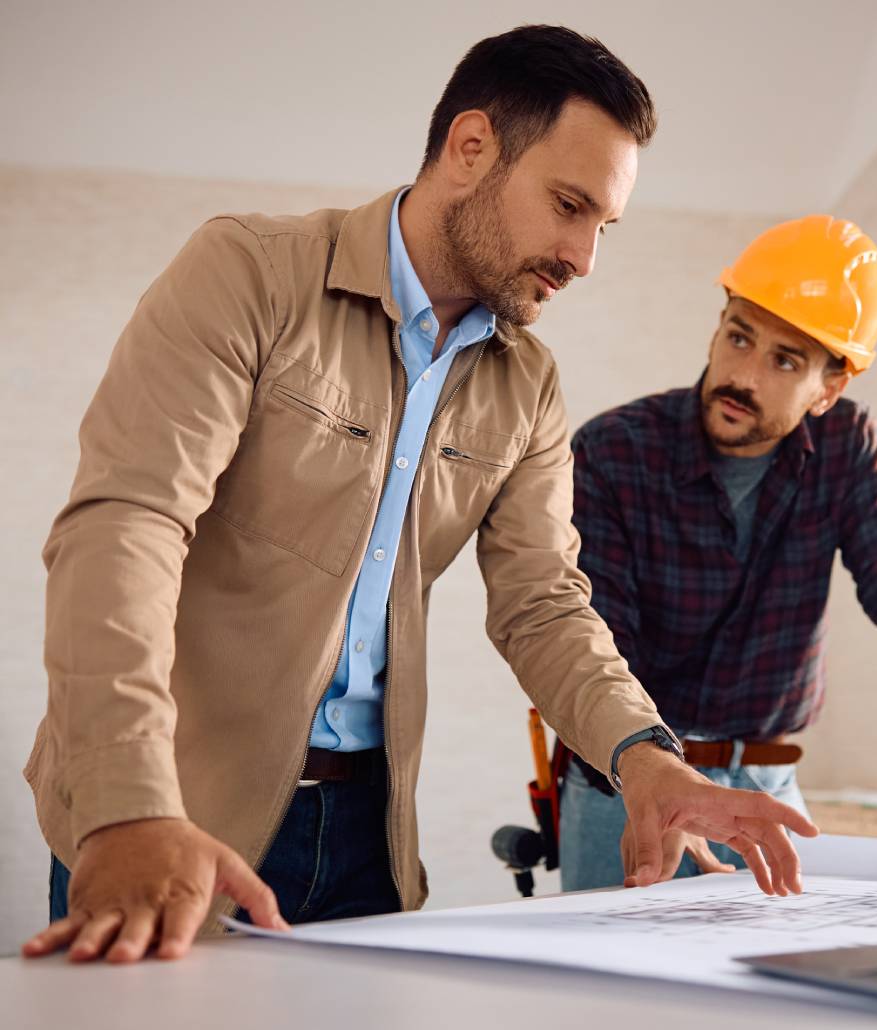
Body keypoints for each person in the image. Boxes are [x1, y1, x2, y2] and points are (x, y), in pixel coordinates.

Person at [22, 25, 817, 966]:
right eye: (568, 206)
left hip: (370, 842)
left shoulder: (530, 386)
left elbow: (544, 605)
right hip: (172, 811)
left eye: (602, 226)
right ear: (470, 148)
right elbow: (128, 527)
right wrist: (127, 803)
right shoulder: (249, 273)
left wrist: (646, 760)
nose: (583, 257)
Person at [559, 215, 877, 891]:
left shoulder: (848, 449)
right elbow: (598, 643)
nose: (742, 375)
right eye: (739, 337)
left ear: (829, 389)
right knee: (609, 992)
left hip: (767, 780)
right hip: (628, 778)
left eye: (785, 360)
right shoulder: (612, 451)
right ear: (719, 323)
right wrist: (663, 776)